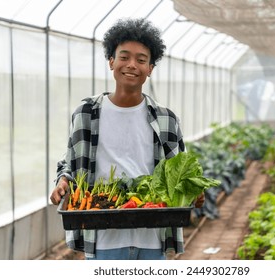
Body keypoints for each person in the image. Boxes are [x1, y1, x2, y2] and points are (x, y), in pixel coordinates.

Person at [49, 18, 204, 260]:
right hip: (103, 237)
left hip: (152, 235)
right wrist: (63, 181)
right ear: (111, 61)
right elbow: (69, 163)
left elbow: (181, 171)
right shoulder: (86, 114)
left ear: (150, 68)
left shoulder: (166, 119)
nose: (132, 65)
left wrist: (193, 189)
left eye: (141, 60)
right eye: (124, 57)